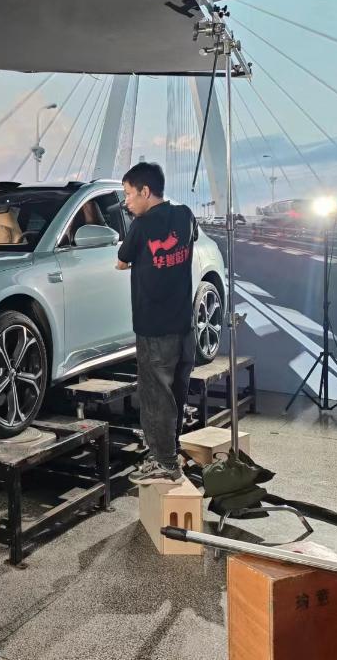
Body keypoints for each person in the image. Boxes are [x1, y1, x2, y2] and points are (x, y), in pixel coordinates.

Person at [115, 163, 198, 486]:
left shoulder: (141, 225)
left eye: (128, 194)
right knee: (176, 393)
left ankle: (164, 463)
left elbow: (121, 261)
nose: (126, 202)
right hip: (184, 324)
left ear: (145, 191)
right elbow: (191, 237)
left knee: (155, 398)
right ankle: (170, 453)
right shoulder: (185, 214)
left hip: (153, 327)